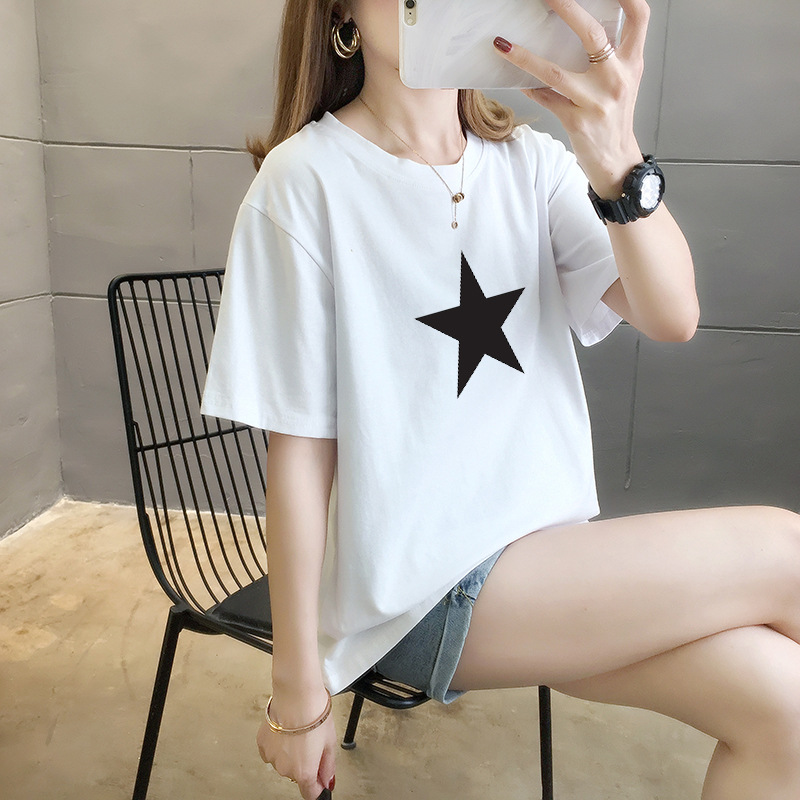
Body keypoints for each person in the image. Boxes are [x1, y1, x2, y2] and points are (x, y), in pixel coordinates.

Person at [199, 1, 800, 798]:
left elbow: (673, 315)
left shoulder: (533, 166)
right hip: (419, 589)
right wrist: (296, 684)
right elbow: (300, 455)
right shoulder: (305, 182)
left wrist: (616, 155)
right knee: (788, 552)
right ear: (339, 11)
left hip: (549, 559)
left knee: (785, 705)